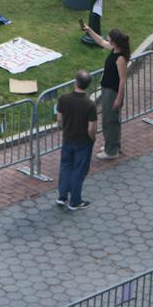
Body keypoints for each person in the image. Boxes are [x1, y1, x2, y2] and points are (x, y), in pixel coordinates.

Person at [82, 25, 131, 159]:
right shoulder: (114, 50)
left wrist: (118, 98)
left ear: (114, 42)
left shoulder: (120, 59)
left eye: (109, 38)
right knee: (111, 119)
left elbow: (122, 80)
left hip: (112, 92)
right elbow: (100, 41)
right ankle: (113, 144)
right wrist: (89, 30)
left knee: (109, 121)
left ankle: (111, 151)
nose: (107, 39)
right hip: (108, 90)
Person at [56, 69, 99, 210]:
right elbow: (91, 128)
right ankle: (75, 201)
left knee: (65, 167)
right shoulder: (90, 105)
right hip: (83, 142)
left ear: (76, 82)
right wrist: (93, 139)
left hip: (68, 139)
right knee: (78, 171)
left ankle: (62, 196)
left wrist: (64, 129)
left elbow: (59, 120)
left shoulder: (63, 98)